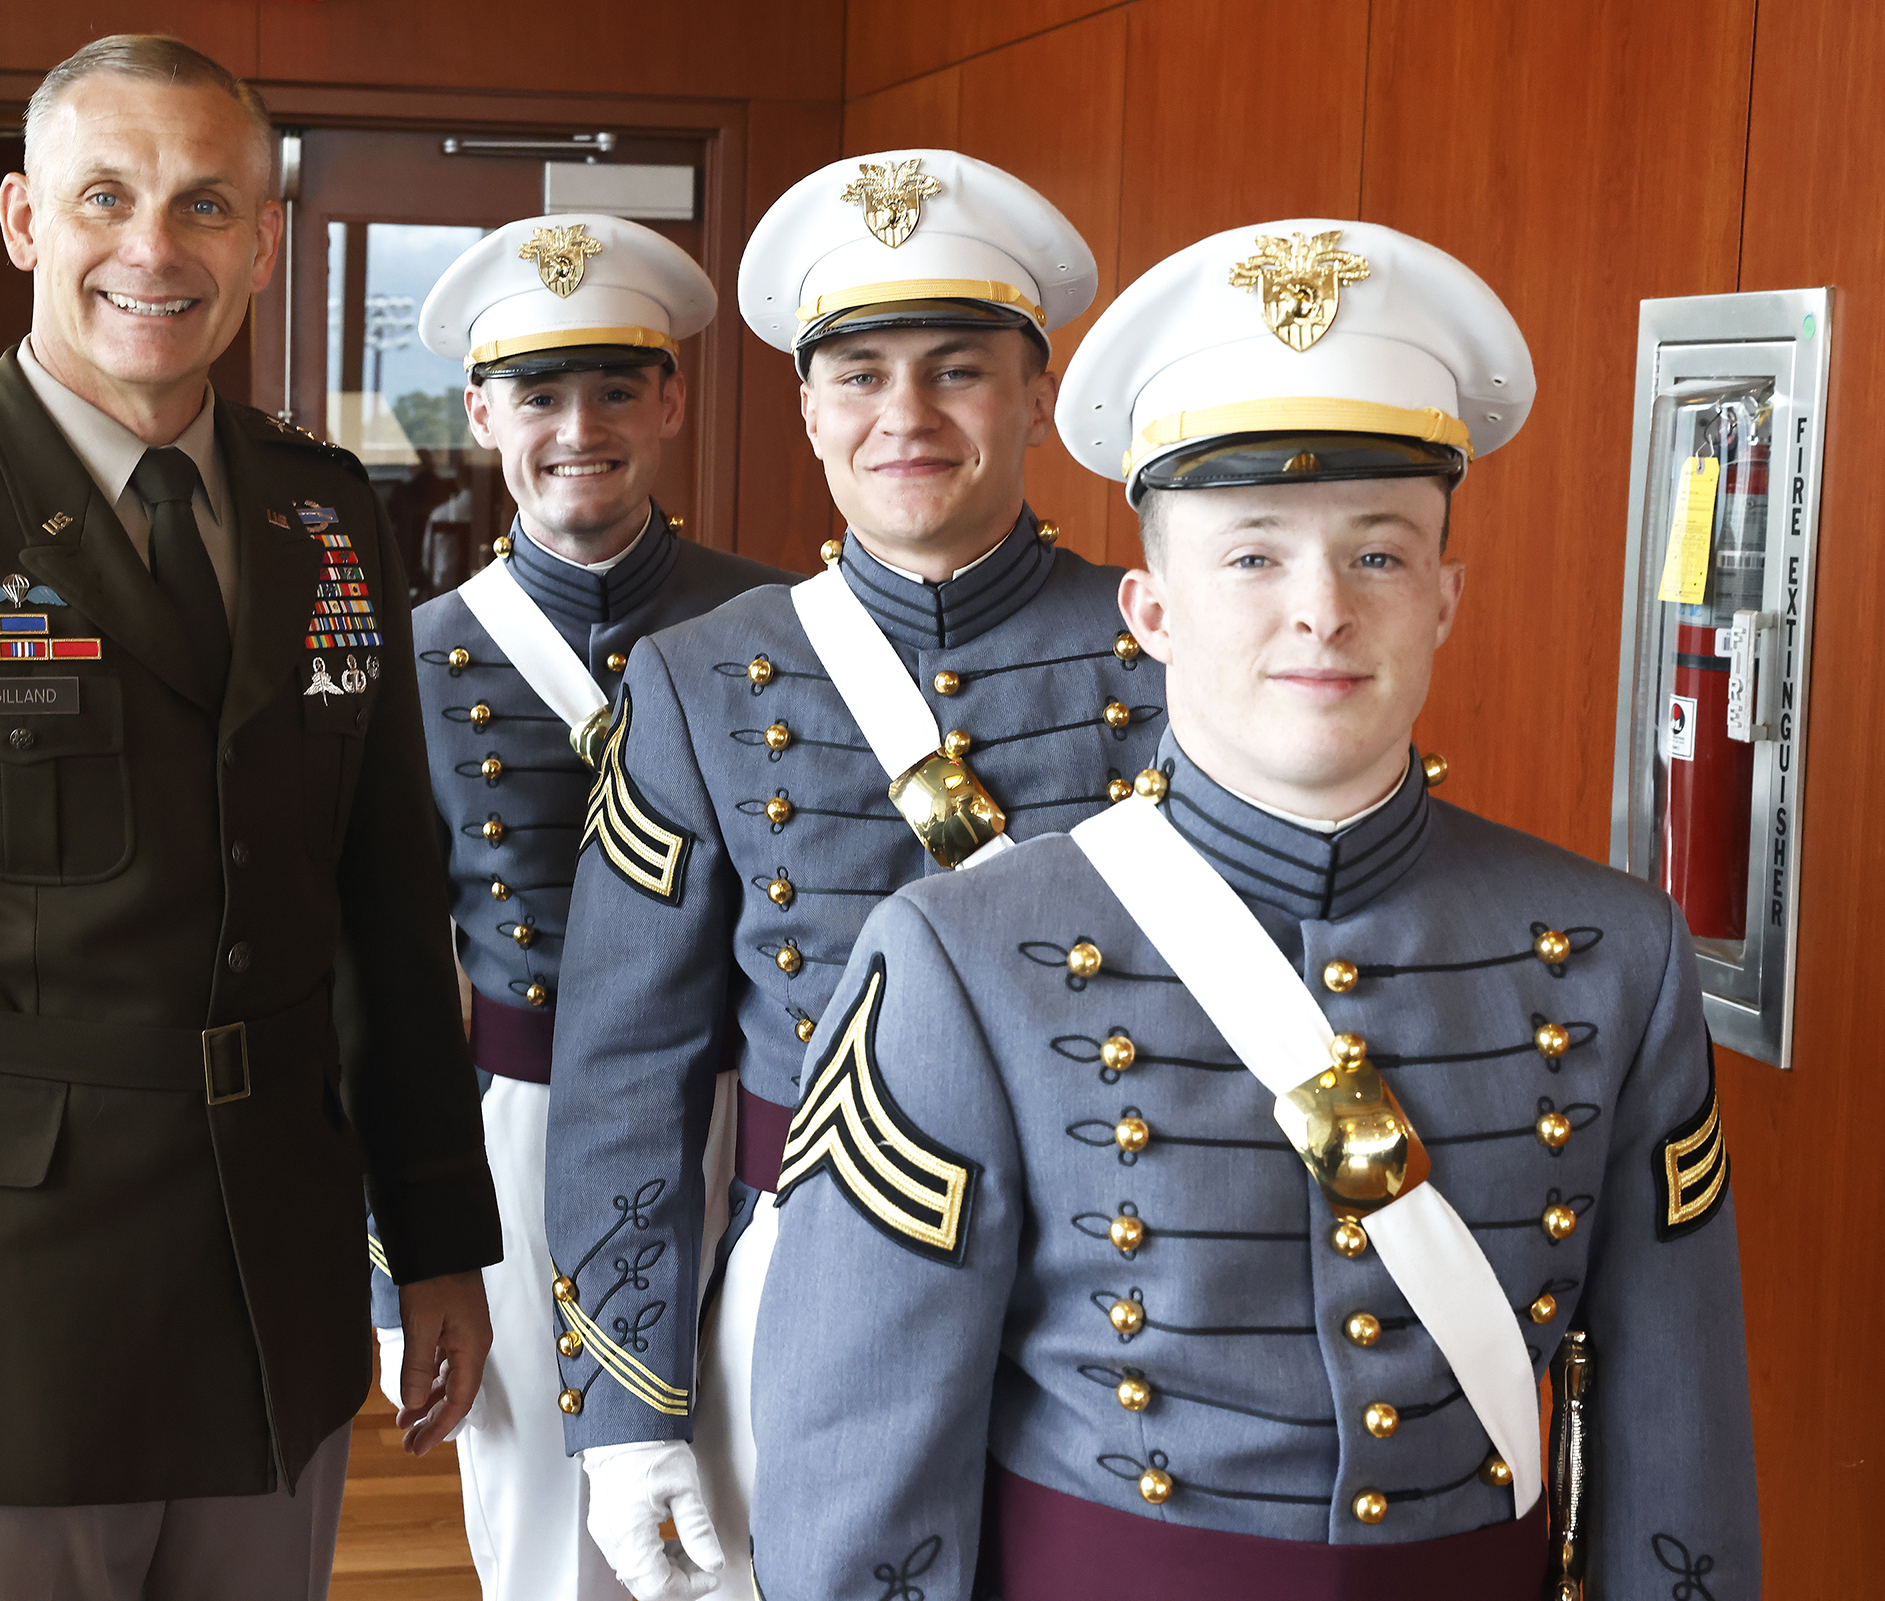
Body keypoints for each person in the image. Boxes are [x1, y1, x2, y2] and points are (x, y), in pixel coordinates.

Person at [746, 219, 1759, 1600]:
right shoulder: (957, 959)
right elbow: (861, 1472)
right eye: (1252, 557)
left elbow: (1678, 1435)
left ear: (1448, 596)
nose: (1323, 611)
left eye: (1382, 555)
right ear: (1149, 609)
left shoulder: (1615, 951)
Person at [0, 34, 499, 1601]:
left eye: (205, 205)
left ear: (263, 241)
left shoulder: (327, 513)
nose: (153, 247)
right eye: (105, 196)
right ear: (21, 223)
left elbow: (389, 912)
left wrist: (439, 1234)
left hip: (280, 1304)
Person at [541, 151, 1164, 1601]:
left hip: (1117, 1283)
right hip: (798, 1269)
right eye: (862, 373)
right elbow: (626, 1062)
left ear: (1030, 391)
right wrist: (627, 1410)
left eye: (957, 370)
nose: (907, 417)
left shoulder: (1168, 647)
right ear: (809, 404)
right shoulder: (693, 679)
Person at [367, 213, 787, 1601]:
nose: (578, 426)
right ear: (482, 410)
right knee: (549, 1530)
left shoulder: (786, 626)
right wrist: (397, 1263)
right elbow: (378, 983)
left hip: (747, 1117)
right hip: (521, 1127)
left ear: (671, 399)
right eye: (539, 394)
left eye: (616, 385)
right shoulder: (416, 660)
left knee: (750, 1507)